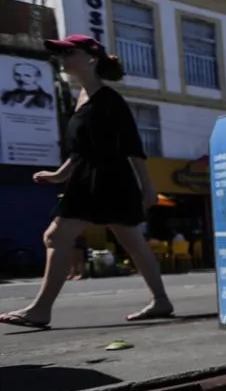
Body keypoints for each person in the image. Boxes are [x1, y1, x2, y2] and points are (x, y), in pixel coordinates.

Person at [0, 34, 173, 330]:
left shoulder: (109, 100)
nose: (64, 58)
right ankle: (161, 300)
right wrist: (59, 175)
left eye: (70, 52)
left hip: (109, 178)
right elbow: (81, 151)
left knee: (57, 236)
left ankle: (41, 310)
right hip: (89, 176)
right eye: (62, 53)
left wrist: (148, 186)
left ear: (91, 58)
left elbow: (132, 146)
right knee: (131, 241)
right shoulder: (80, 99)